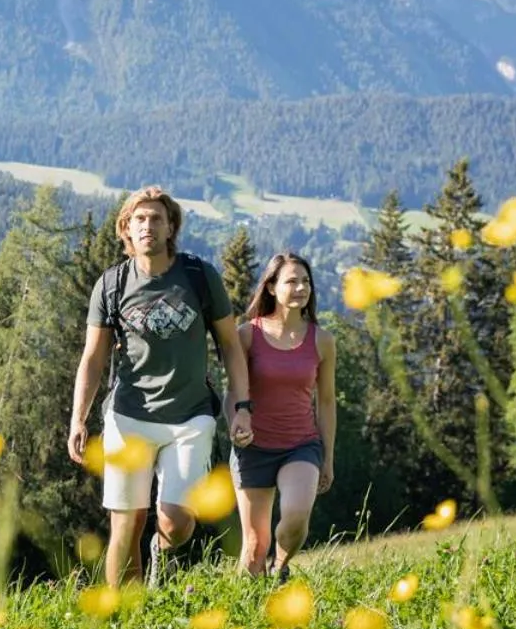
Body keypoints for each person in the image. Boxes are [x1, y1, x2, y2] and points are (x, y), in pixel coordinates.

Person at [68, 186, 251, 586]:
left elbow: (231, 347)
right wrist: (78, 419)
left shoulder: (200, 277)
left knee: (178, 522)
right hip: (128, 418)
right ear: (126, 230)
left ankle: (161, 556)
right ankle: (128, 617)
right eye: (139, 219)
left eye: (156, 219)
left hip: (190, 417)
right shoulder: (112, 285)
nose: (147, 226)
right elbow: (93, 358)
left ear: (171, 228)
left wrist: (241, 406)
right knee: (126, 524)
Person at [227, 251, 336, 577]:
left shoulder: (323, 341)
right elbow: (232, 389)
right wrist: (235, 420)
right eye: (292, 281)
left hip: (300, 445)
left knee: (296, 517)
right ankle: (250, 609)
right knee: (253, 549)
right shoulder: (248, 334)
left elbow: (327, 402)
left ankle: (281, 567)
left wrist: (328, 458)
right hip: (254, 447)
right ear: (272, 287)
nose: (301, 287)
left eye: (306, 282)